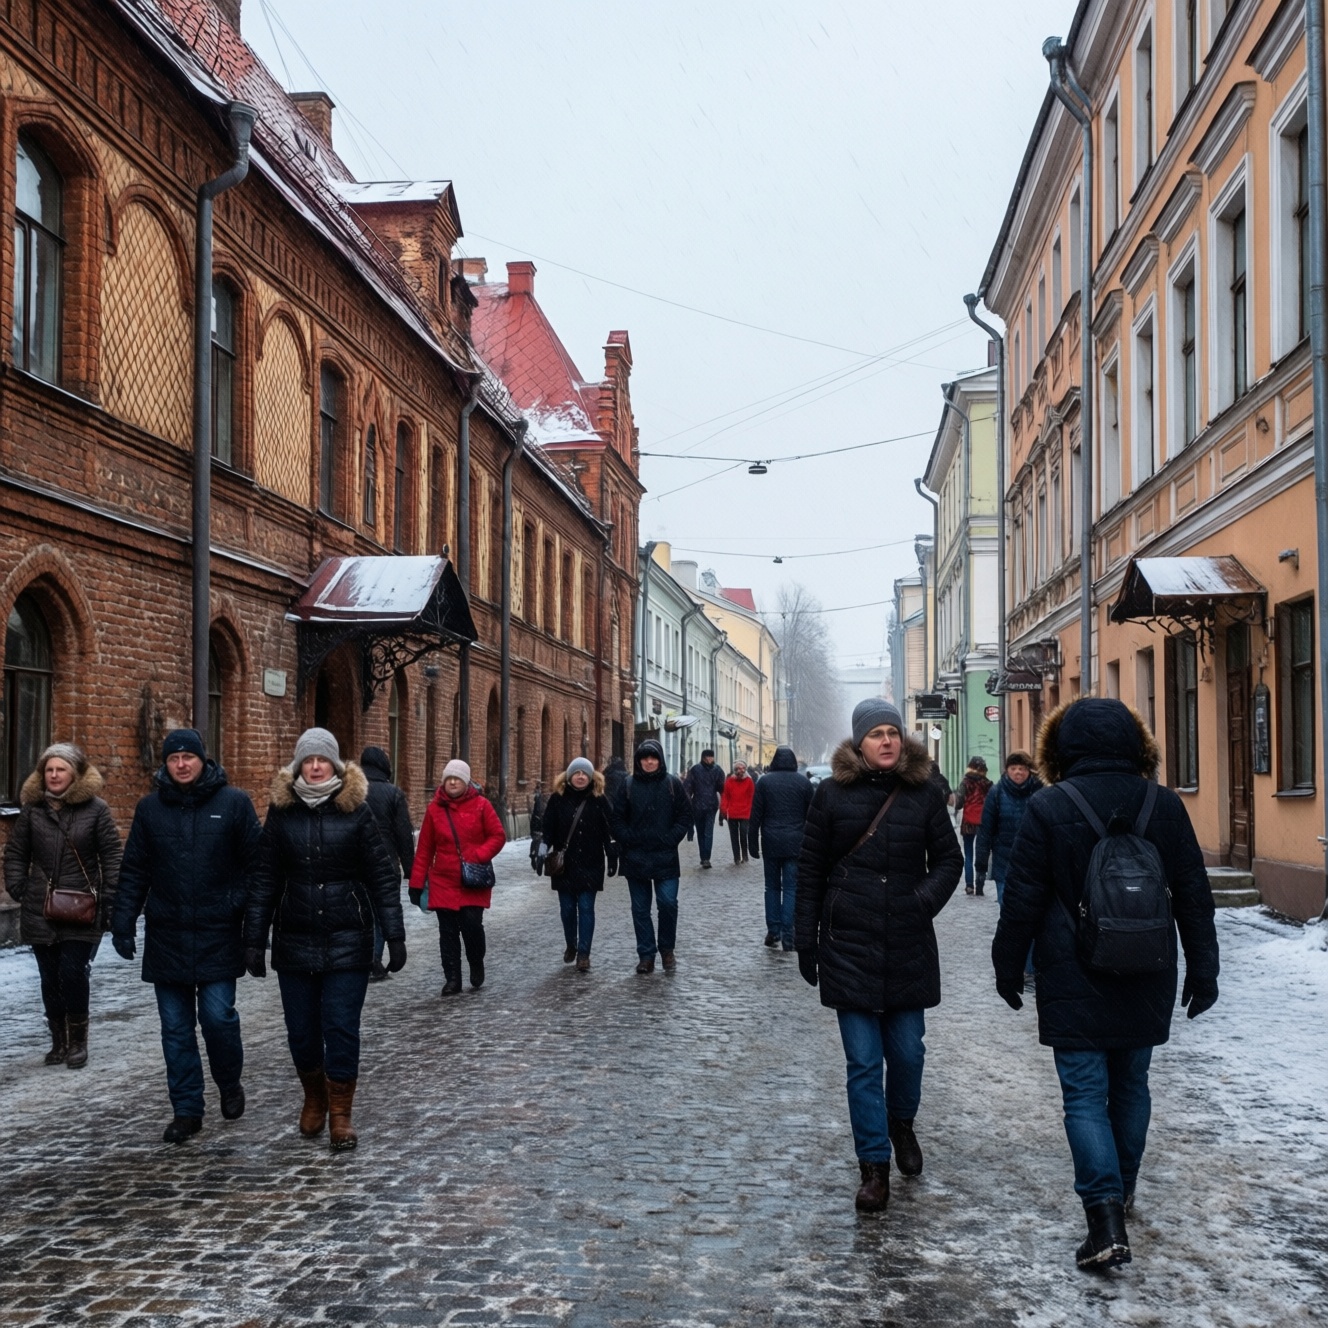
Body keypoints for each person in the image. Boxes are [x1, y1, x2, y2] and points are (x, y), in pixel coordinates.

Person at [992, 698, 1219, 1271]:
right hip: (1148, 966)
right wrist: (1204, 968)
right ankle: (1125, 1186)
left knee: (1085, 1095)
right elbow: (1194, 894)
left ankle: (1104, 1218)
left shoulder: (1048, 805)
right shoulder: (1163, 804)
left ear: (1060, 749)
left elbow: (1022, 898)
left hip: (1071, 969)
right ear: (1137, 745)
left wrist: (1007, 965)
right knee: (1132, 1084)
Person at [795, 699, 962, 1213]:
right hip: (848, 942)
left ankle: (901, 1123)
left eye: (893, 732)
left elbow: (950, 860)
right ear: (859, 742)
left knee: (908, 1054)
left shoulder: (924, 792)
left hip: (908, 943)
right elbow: (810, 871)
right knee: (864, 1063)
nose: (886, 741)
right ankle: (873, 1167)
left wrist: (922, 901)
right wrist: (805, 940)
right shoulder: (830, 794)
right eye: (876, 734)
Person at [245, 728, 406, 1151]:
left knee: (341, 1026)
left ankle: (341, 1114)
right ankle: (314, 1096)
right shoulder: (282, 812)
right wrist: (254, 938)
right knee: (301, 1031)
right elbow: (265, 878)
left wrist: (394, 933)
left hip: (348, 936)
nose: (315, 767)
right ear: (299, 765)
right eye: (308, 760)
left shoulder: (357, 811)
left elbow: (381, 876)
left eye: (323, 760)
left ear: (335, 765)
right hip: (295, 937)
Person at [112, 729, 262, 1143]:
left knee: (218, 1018)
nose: (181, 764)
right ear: (166, 763)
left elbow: (257, 866)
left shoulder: (233, 804)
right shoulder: (150, 809)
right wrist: (123, 922)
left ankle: (228, 1081)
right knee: (175, 1029)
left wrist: (241, 911)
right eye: (173, 758)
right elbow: (135, 869)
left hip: (218, 932)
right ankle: (187, 1109)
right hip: (168, 935)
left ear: (202, 759)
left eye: (188, 757)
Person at [3, 743, 122, 1071]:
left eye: (61, 769)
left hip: (82, 907)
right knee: (49, 976)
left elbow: (111, 856)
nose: (54, 775)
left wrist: (110, 898)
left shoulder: (96, 809)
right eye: (49, 770)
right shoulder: (32, 811)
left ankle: (78, 1041)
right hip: (40, 908)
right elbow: (16, 853)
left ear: (75, 774)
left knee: (72, 972)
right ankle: (58, 1041)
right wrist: (19, 887)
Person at [409, 759, 506, 996]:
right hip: (443, 880)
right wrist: (416, 883)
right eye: (449, 778)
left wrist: (478, 856)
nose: (452, 782)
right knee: (448, 932)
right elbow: (425, 849)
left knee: (472, 926)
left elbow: (497, 836)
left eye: (457, 778)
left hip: (472, 879)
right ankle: (452, 979)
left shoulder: (482, 806)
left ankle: (476, 960)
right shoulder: (434, 810)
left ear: (466, 781)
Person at [609, 738, 692, 974]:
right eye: (644, 758)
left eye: (653, 757)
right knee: (640, 909)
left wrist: (670, 838)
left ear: (660, 760)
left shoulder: (672, 784)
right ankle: (646, 955)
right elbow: (616, 819)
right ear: (638, 760)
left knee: (668, 904)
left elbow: (685, 815)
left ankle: (667, 950)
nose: (649, 762)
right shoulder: (627, 785)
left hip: (665, 856)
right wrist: (628, 838)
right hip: (635, 857)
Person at [536, 756, 617, 971]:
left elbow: (609, 830)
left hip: (591, 862)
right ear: (569, 776)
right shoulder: (557, 799)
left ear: (591, 777)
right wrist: (542, 849)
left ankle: (583, 954)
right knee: (567, 909)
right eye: (577, 773)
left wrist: (612, 855)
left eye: (584, 774)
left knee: (586, 908)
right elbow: (548, 828)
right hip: (565, 866)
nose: (581, 777)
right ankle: (571, 943)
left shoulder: (599, 799)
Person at [358, 746, 416, 982]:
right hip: (386, 863)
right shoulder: (393, 794)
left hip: (356, 864)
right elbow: (404, 835)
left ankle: (362, 958)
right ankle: (374, 959)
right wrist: (411, 870)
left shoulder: (352, 791)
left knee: (361, 913)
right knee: (383, 912)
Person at [747, 745, 812, 950]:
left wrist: (752, 843)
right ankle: (788, 935)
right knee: (791, 888)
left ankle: (773, 931)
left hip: (771, 841)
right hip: (796, 842)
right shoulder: (803, 783)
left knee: (772, 887)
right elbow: (812, 817)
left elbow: (755, 815)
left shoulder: (764, 782)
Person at [974, 750, 1042, 909]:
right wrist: (981, 866)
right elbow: (985, 831)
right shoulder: (996, 793)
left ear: (1029, 771)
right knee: (1006, 907)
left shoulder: (1039, 792)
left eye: (1022, 768)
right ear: (1007, 770)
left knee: (1031, 909)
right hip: (1004, 864)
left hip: (1033, 864)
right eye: (1013, 768)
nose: (1018, 772)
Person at [954, 756, 992, 895]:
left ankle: (969, 885)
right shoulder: (988, 784)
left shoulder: (965, 783)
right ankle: (980, 884)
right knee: (982, 853)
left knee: (968, 854)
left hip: (968, 822)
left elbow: (959, 804)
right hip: (984, 822)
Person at [683, 749, 726, 868]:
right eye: (707, 757)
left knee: (707, 832)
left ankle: (706, 858)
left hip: (709, 805)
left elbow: (722, 788)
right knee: (702, 832)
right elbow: (687, 788)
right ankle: (704, 857)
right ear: (703, 757)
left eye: (711, 757)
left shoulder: (715, 770)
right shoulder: (697, 770)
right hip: (699, 805)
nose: (709, 759)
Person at [719, 760, 756, 864]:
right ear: (734, 770)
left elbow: (752, 797)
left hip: (745, 813)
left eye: (742, 769)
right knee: (734, 836)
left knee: (743, 835)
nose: (740, 771)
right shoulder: (729, 781)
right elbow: (725, 796)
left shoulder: (749, 781)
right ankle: (736, 857)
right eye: (737, 769)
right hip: (732, 813)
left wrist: (751, 810)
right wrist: (724, 809)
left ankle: (744, 855)